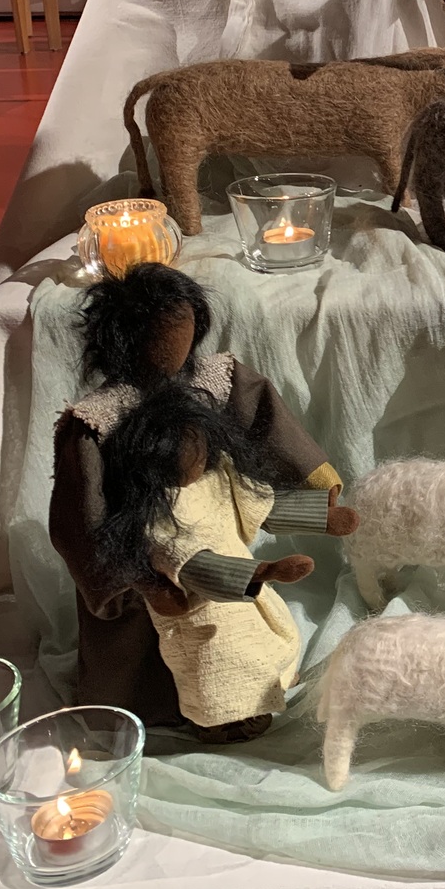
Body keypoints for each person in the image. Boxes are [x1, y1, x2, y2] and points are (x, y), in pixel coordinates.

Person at [49, 264, 349, 738]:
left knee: (231, 629)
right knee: (141, 639)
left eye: (186, 328)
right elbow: (79, 514)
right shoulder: (97, 418)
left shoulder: (213, 377)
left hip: (210, 524)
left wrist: (313, 476)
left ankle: (243, 694)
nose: (176, 345)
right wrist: (127, 577)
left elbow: (263, 422)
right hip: (141, 543)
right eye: (162, 335)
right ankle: (157, 705)